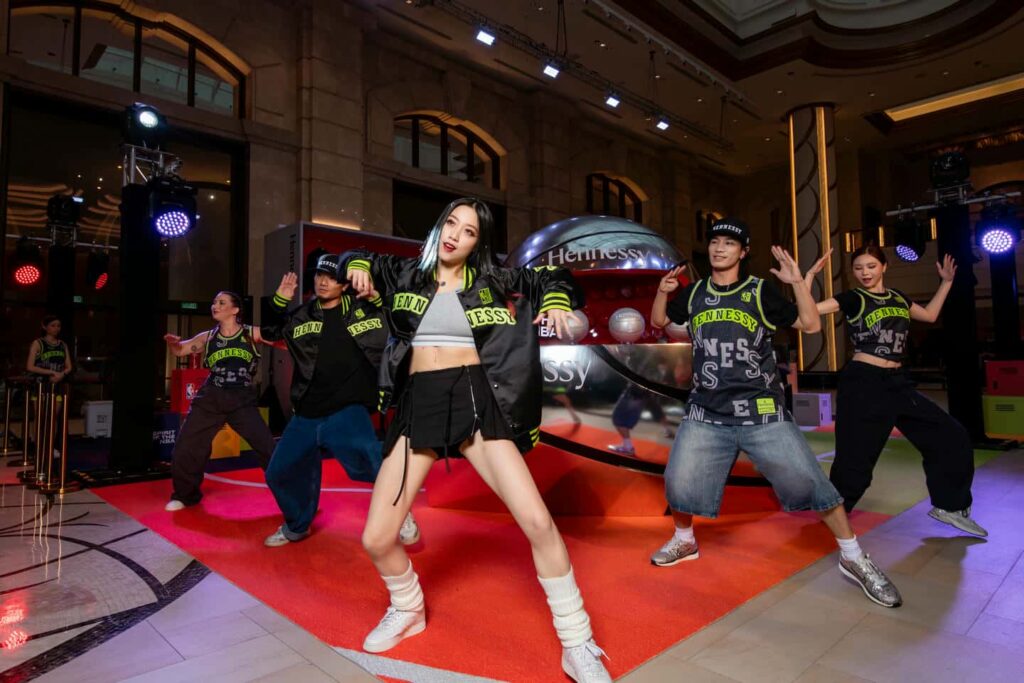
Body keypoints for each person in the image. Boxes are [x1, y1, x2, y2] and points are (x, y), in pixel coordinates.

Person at [345, 198, 612, 683]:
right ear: (439, 225)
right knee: (377, 538)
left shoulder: (497, 280)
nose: (455, 235)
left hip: (475, 397)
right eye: (451, 223)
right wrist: (357, 265)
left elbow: (556, 280)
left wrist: (556, 302)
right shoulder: (403, 273)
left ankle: (577, 642)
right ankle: (408, 607)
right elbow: (348, 256)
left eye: (468, 231)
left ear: (478, 243)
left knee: (537, 521)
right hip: (419, 402)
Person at [649, 218, 902, 609]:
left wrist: (798, 281)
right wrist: (663, 292)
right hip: (707, 410)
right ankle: (685, 541)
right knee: (679, 481)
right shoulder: (695, 292)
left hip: (761, 410)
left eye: (729, 243)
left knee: (813, 484)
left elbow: (810, 324)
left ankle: (853, 557)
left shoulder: (760, 291)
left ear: (743, 252)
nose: (719, 248)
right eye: (714, 242)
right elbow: (660, 322)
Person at [805, 244, 986, 536]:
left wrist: (947, 283)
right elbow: (808, 312)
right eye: (858, 268)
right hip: (863, 382)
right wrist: (808, 278)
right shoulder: (853, 298)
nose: (865, 273)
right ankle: (834, 514)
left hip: (897, 382)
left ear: (884, 267)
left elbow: (929, 315)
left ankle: (950, 506)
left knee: (951, 436)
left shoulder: (898, 297)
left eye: (871, 266)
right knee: (856, 460)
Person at [259, 255, 419, 548]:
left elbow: (402, 325)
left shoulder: (364, 310)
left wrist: (379, 299)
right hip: (306, 412)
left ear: (345, 285)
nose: (323, 282)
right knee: (278, 473)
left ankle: (401, 513)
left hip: (347, 408)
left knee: (371, 461)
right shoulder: (303, 315)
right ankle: (297, 525)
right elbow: (270, 332)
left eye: (331, 277)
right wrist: (278, 302)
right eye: (319, 275)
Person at [163, 291, 277, 511]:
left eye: (221, 302)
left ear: (235, 310)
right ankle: (185, 496)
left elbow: (281, 341)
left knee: (267, 447)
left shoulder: (251, 333)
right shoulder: (208, 337)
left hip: (241, 399)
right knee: (187, 446)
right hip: (211, 397)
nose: (215, 306)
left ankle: (294, 497)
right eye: (214, 302)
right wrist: (173, 344)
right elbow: (180, 350)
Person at [26, 315, 72, 383]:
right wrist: (52, 372)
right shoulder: (37, 343)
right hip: (40, 383)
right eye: (53, 326)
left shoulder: (63, 345)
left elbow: (69, 367)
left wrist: (61, 375)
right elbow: (30, 367)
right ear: (44, 327)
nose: (56, 328)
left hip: (59, 382)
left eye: (58, 326)